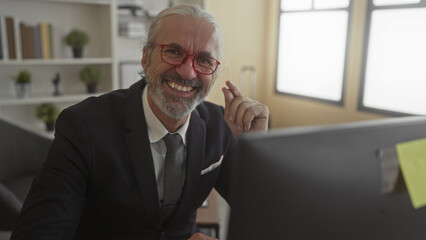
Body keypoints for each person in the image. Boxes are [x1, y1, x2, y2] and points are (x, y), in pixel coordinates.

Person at [11, 4, 269, 240]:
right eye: (173, 51)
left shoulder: (222, 126)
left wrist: (257, 148)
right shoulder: (83, 126)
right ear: (145, 57)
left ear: (214, 73)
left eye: (203, 59)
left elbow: (262, 215)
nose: (188, 71)